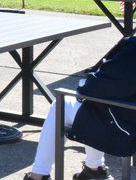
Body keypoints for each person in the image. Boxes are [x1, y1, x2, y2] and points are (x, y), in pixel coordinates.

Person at [23, 36, 136, 180]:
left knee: (62, 104)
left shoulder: (133, 48)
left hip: (125, 128)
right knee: (93, 107)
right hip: (126, 118)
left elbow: (93, 89)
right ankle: (94, 169)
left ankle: (38, 175)